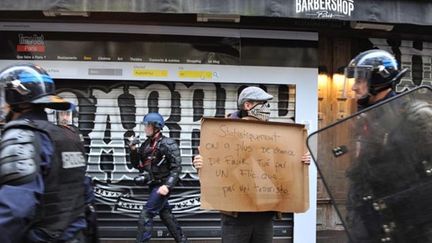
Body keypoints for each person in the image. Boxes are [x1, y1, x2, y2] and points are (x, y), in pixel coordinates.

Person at [193, 86, 311, 243]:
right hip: (236, 214)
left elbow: (283, 163)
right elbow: (210, 159)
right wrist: (198, 162)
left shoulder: (273, 133)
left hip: (265, 212)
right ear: (248, 105)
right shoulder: (223, 131)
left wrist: (301, 161)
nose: (268, 109)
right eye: (263, 103)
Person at [344, 49, 432, 242]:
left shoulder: (414, 115)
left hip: (411, 224)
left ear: (377, 81)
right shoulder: (367, 119)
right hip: (375, 221)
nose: (354, 87)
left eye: (359, 80)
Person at [0, 64, 87, 242]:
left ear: (15, 98)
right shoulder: (68, 136)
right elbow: (85, 192)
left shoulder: (23, 135)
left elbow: (15, 210)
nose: (3, 106)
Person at [128, 112, 188, 243]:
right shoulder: (146, 145)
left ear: (156, 127)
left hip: (162, 186)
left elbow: (176, 167)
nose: (145, 128)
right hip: (153, 185)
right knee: (166, 215)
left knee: (146, 215)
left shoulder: (168, 143)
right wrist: (133, 150)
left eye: (147, 125)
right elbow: (136, 165)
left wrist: (167, 186)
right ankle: (182, 240)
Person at [55, 105, 100, 243]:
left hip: (78, 179)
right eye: (61, 114)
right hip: (61, 182)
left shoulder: (77, 133)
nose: (64, 117)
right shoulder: (53, 132)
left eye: (67, 114)